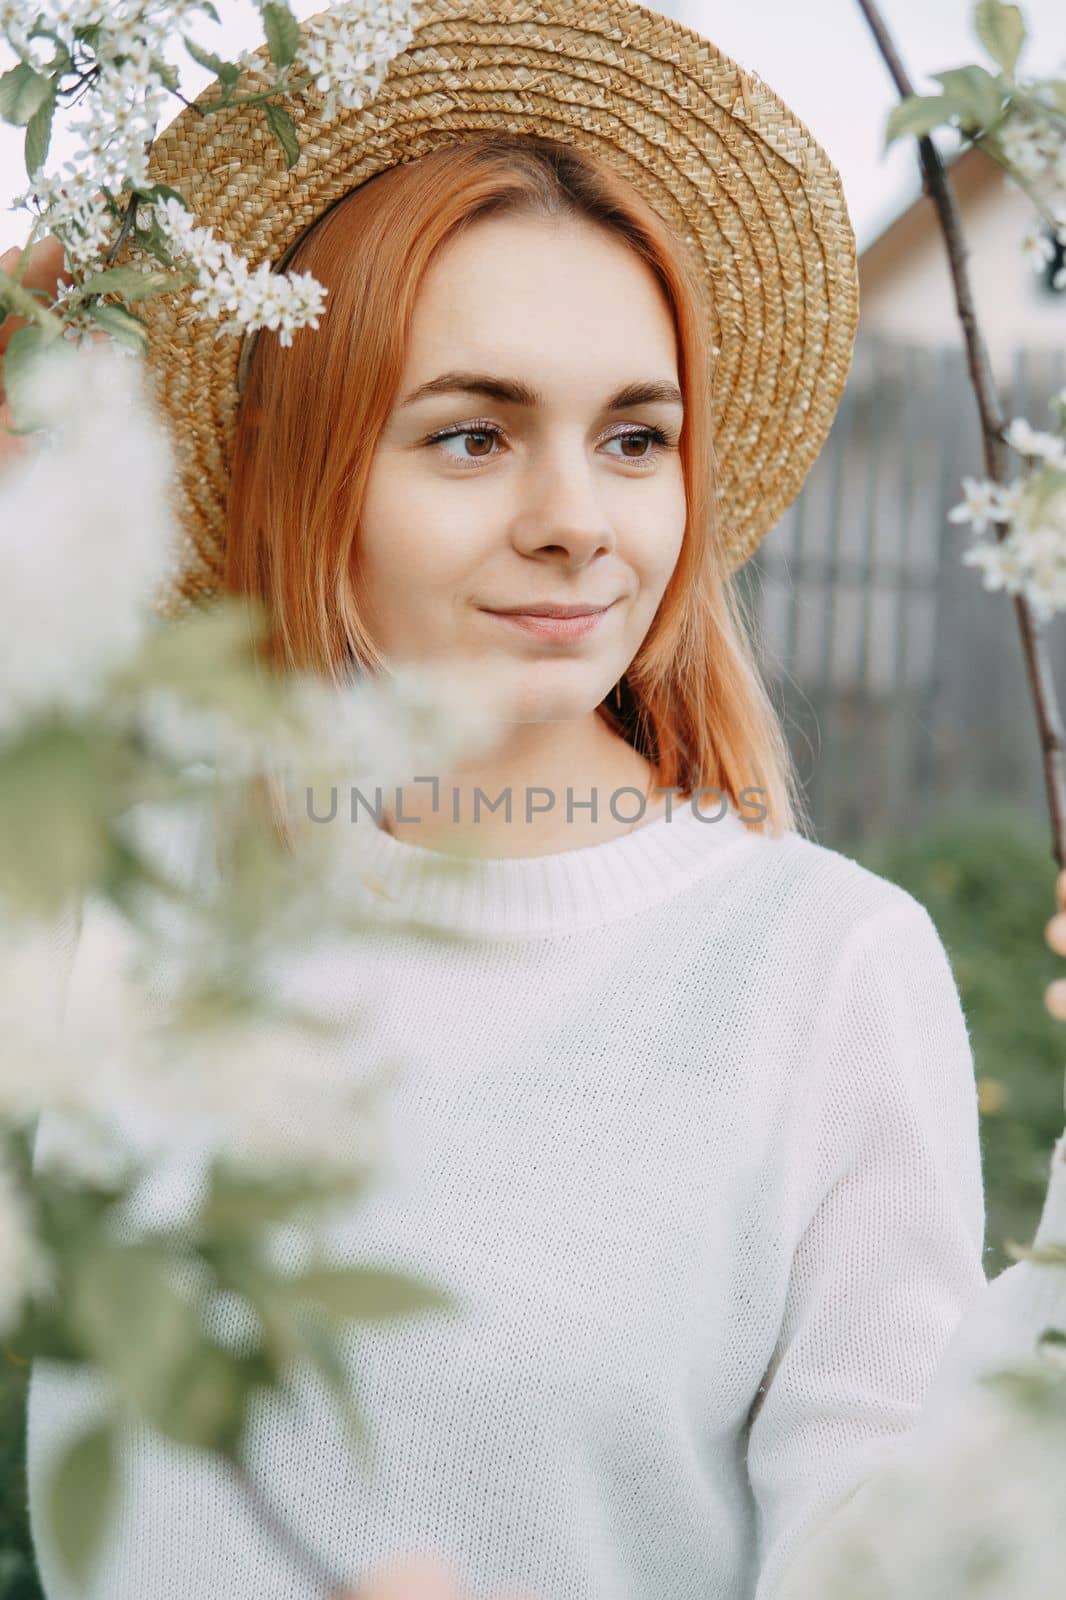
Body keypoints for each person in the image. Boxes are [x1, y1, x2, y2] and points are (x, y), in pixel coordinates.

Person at [5, 4, 1066, 1599]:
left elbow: (893, 1563)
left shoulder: (819, 970)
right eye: (472, 434)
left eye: (635, 437)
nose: (577, 520)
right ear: (302, 459)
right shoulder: (125, 890)